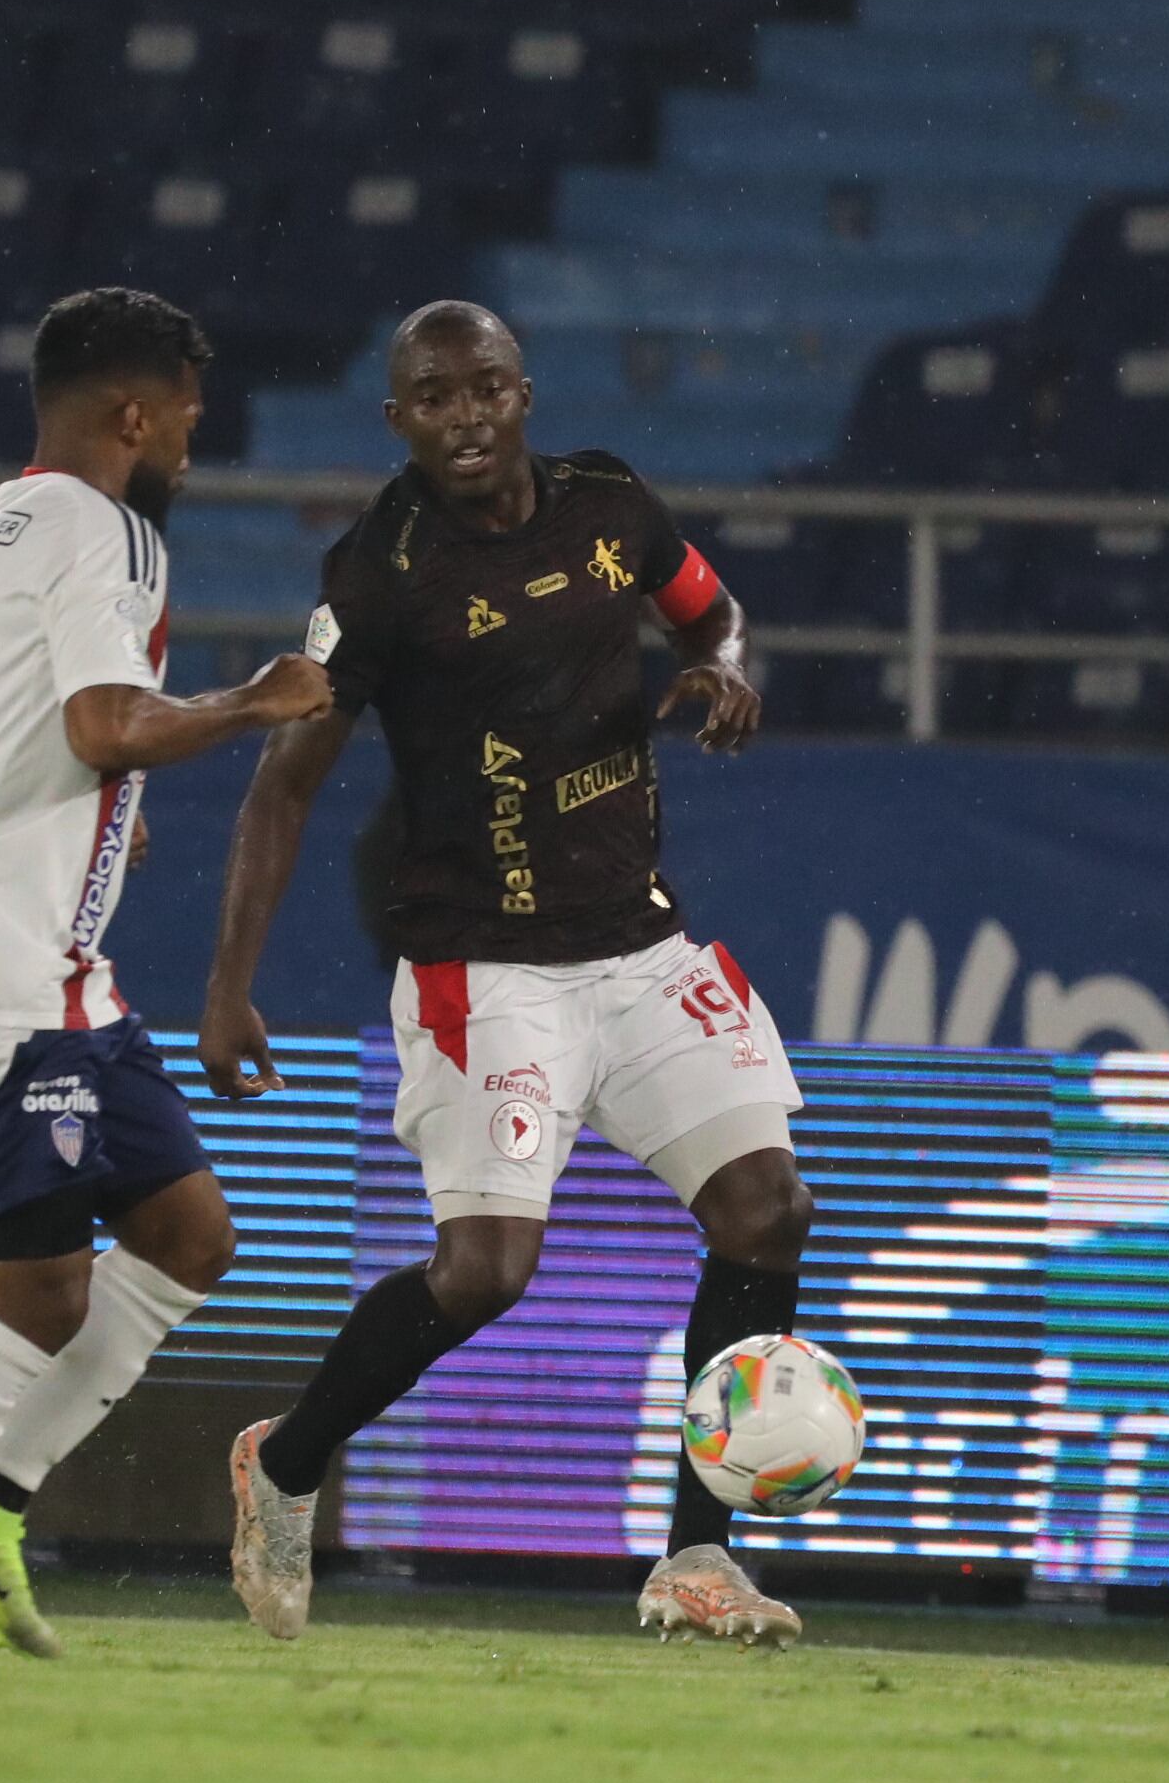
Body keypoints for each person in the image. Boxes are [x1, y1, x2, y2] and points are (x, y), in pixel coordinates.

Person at [201, 301, 814, 1646]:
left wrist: (720, 669)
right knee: (484, 1272)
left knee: (767, 1210)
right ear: (399, 420)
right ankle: (286, 1462)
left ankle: (697, 1560)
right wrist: (229, 984)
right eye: (434, 398)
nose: (465, 417)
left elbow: (711, 612)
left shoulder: (612, 507)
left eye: (485, 388)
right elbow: (283, 786)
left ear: (524, 394)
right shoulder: (380, 574)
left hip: (640, 947)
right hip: (485, 969)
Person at [0, 289, 331, 1665]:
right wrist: (248, 702)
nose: (196, 436)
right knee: (34, 1297)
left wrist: (51, 790)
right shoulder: (105, 529)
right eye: (188, 413)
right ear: (134, 415)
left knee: (189, 1237)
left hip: (56, 974)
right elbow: (103, 722)